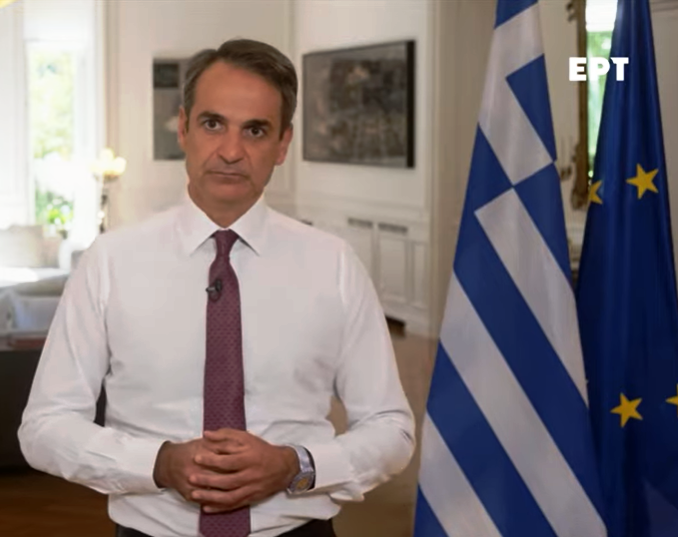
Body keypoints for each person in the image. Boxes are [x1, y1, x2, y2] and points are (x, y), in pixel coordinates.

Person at [18, 38, 415, 537]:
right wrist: (158, 464)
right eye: (213, 124)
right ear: (184, 128)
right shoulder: (110, 262)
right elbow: (45, 427)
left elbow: (391, 429)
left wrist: (296, 465)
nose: (230, 151)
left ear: (283, 144)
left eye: (255, 130)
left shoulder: (334, 264)